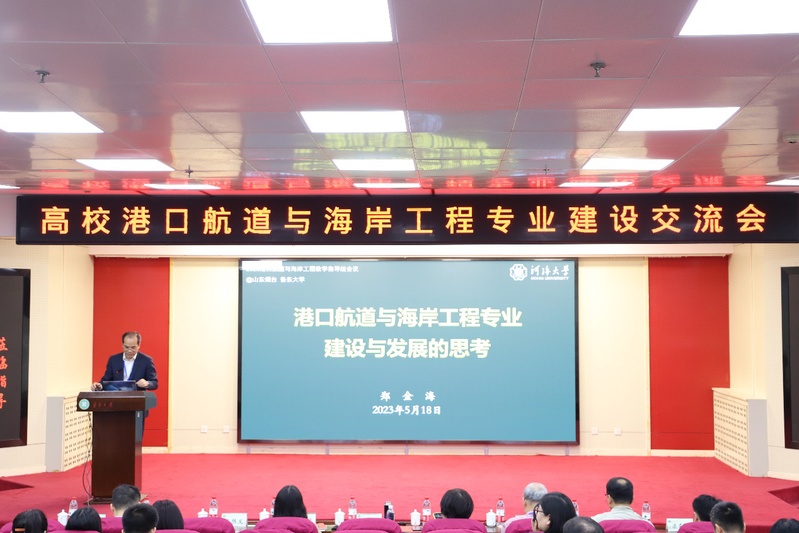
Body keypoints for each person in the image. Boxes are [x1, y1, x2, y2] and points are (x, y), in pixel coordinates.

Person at [92, 331, 158, 391]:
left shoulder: (146, 361)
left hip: (137, 397)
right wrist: (98, 386)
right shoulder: (114, 360)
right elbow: (106, 381)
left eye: (133, 347)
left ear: (139, 345)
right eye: (126, 347)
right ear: (122, 345)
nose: (129, 350)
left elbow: (154, 383)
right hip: (117, 397)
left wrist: (147, 383)